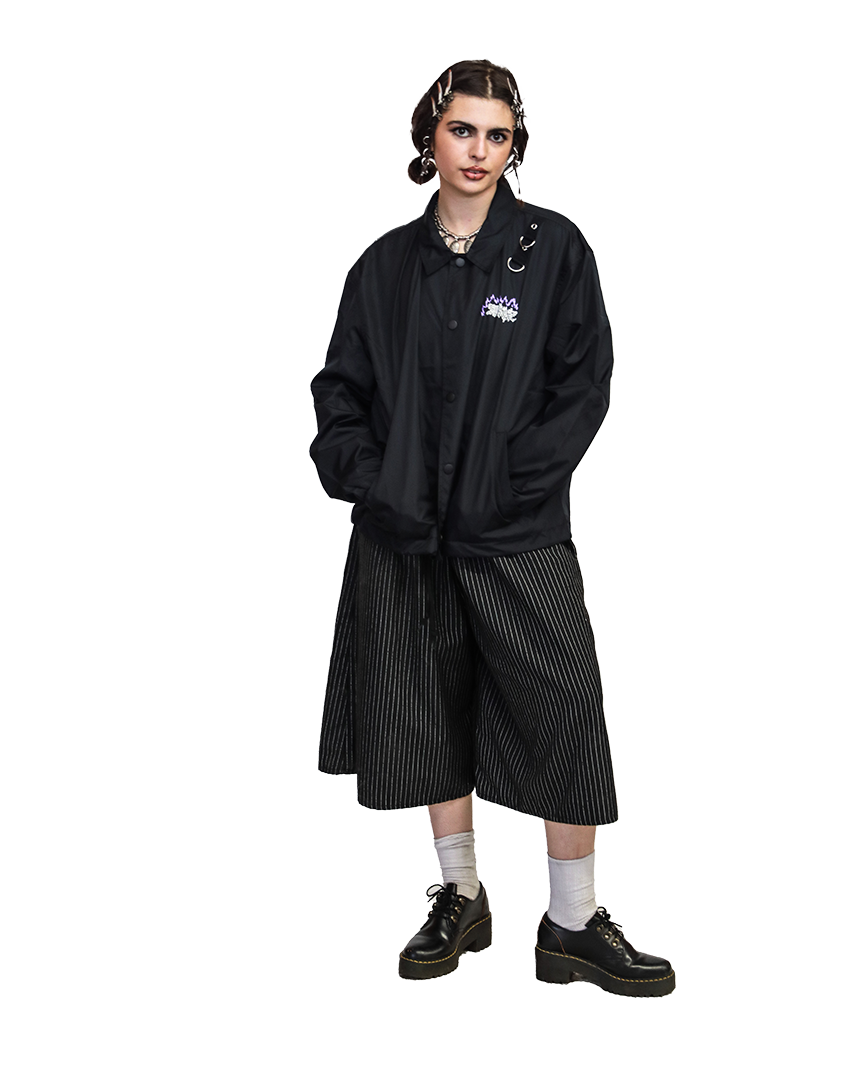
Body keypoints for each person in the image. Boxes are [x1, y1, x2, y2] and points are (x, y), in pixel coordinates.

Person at [309, 59, 675, 997]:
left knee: (563, 711)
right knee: (426, 710)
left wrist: (511, 482)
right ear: (430, 136)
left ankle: (571, 919)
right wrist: (373, 483)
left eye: (498, 135)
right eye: (462, 129)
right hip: (404, 537)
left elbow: (583, 385)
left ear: (515, 147)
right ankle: (460, 895)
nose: (479, 151)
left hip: (516, 532)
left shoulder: (553, 251)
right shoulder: (385, 267)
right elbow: (340, 394)